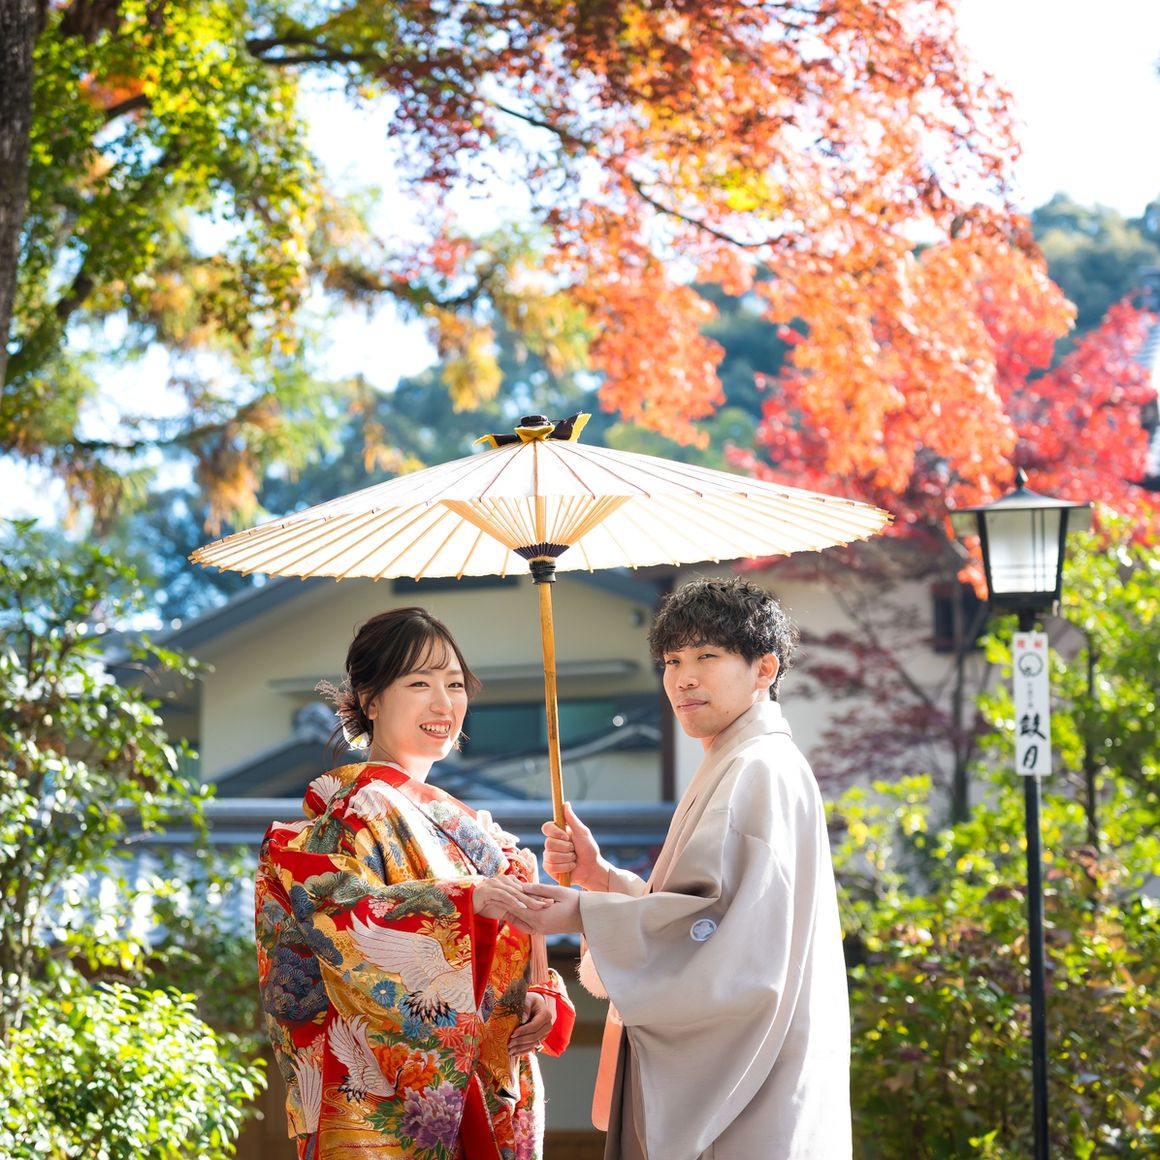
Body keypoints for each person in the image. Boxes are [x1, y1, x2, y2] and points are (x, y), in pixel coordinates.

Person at [519, 576, 852, 1159]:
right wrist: (602, 879)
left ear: (764, 668)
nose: (683, 678)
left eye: (707, 656)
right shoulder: (743, 758)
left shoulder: (757, 767)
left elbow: (718, 938)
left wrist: (586, 913)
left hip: (747, 1098)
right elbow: (705, 914)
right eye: (672, 661)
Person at [255, 607, 575, 1160]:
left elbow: (504, 957)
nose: (443, 704)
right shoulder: (355, 811)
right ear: (371, 700)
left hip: (480, 1084)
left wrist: (539, 992)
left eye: (455, 684)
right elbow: (337, 918)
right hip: (389, 1093)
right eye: (420, 683)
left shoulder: (469, 829)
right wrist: (465, 900)